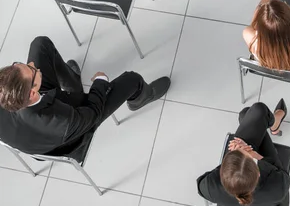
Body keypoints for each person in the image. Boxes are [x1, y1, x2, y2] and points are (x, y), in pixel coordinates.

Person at [0, 36, 170, 156]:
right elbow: (93, 112)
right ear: (32, 92)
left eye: (19, 65)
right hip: (71, 133)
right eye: (32, 70)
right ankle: (141, 98)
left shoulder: (6, 91)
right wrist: (100, 82)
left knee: (40, 44)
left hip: (30, 121)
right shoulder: (61, 121)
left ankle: (72, 82)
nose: (33, 64)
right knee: (132, 80)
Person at [197, 101, 290, 206]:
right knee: (255, 112)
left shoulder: (210, 187)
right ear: (258, 173)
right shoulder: (278, 186)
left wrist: (230, 167)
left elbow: (201, 185)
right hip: (271, 193)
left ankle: (263, 121)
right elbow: (281, 173)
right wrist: (253, 154)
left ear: (222, 174)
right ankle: (274, 123)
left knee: (249, 116)